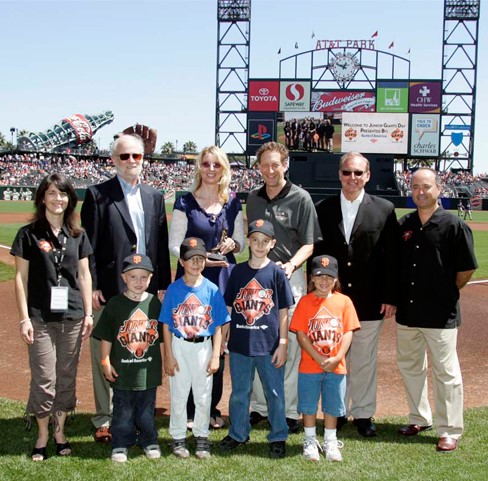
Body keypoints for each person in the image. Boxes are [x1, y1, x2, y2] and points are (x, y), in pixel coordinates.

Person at [81, 133, 171, 443]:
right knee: (105, 351)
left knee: (140, 347)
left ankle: (138, 410)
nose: (131, 161)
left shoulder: (154, 196)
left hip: (146, 289)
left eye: (137, 156)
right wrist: (91, 286)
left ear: (144, 158)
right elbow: (87, 246)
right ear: (113, 160)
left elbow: (159, 246)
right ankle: (105, 417)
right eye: (125, 156)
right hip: (110, 287)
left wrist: (163, 286)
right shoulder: (97, 195)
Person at [313, 151, 400, 437]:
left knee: (363, 360)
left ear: (368, 175)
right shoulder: (322, 208)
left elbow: (392, 258)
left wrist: (390, 295)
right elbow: (315, 256)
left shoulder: (385, 209)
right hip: (331, 301)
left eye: (358, 173)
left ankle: (363, 414)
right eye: (347, 172)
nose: (352, 178)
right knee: (334, 359)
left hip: (369, 298)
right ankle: (335, 412)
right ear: (340, 175)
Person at [11, 173, 93, 461]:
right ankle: (43, 434)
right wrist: (24, 318)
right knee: (44, 378)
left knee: (66, 377)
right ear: (42, 198)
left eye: (63, 194)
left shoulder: (78, 235)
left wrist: (89, 313)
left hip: (72, 316)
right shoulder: (28, 233)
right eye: (52, 193)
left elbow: (84, 275)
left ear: (70, 199)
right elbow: (20, 278)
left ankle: (60, 431)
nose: (58, 199)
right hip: (40, 317)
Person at [396, 168, 477, 452]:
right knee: (411, 367)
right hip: (408, 311)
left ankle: (450, 429)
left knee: (446, 373)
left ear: (438, 188)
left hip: (440, 314)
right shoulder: (404, 223)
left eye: (426, 186)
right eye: (415, 186)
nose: (420, 191)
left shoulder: (454, 226)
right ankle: (420, 417)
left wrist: (444, 292)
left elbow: (465, 269)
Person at [246, 141, 322, 434]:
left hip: (290, 278)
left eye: (275, 164)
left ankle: (290, 410)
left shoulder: (301, 198)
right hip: (259, 279)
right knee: (257, 340)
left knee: (287, 344)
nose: (270, 170)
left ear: (285, 165)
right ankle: (260, 406)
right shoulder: (253, 198)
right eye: (264, 165)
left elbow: (310, 242)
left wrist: (291, 266)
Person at [168, 145, 244, 430]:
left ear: (224, 168)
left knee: (218, 343)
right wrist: (197, 260)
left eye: (216, 164)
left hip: (223, 279)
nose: (211, 169)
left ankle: (211, 408)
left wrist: (232, 244)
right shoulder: (185, 202)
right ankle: (188, 410)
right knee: (188, 337)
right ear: (199, 167)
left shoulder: (232, 201)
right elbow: (174, 243)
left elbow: (241, 241)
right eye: (206, 164)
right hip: (191, 279)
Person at [218, 219, 295, 459]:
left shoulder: (277, 273)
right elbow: (229, 306)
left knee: (274, 392)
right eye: (255, 240)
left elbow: (283, 311)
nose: (259, 245)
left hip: (269, 344)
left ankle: (278, 435)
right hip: (241, 344)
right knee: (240, 392)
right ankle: (239, 433)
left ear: (272, 244)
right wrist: (224, 335)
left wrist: (283, 344)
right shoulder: (239, 271)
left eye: (265, 241)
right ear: (248, 241)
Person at [160, 237, 230, 459]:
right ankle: (178, 436)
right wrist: (168, 356)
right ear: (181, 261)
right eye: (191, 259)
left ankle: (201, 436)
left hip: (203, 347)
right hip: (180, 345)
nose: (196, 263)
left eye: (200, 259)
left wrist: (216, 355)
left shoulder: (211, 289)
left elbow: (219, 324)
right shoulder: (173, 289)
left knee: (203, 394)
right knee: (179, 394)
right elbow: (166, 325)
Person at [92, 253, 163, 463]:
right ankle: (121, 444)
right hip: (122, 371)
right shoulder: (115, 304)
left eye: (144, 277)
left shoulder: (154, 304)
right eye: (133, 277)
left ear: (150, 279)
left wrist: (166, 361)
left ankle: (149, 440)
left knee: (146, 412)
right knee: (122, 412)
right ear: (124, 278)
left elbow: (161, 339)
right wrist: (105, 362)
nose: (139, 282)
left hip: (147, 371)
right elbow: (106, 337)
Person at [290, 255, 360, 462]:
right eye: (319, 276)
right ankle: (310, 440)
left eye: (329, 277)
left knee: (332, 405)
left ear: (336, 278)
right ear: (311, 278)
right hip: (310, 365)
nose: (324, 281)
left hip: (336, 366)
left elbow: (348, 331)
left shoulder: (344, 301)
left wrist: (338, 357)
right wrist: (317, 356)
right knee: (309, 405)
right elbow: (301, 334)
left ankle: (330, 440)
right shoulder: (304, 301)